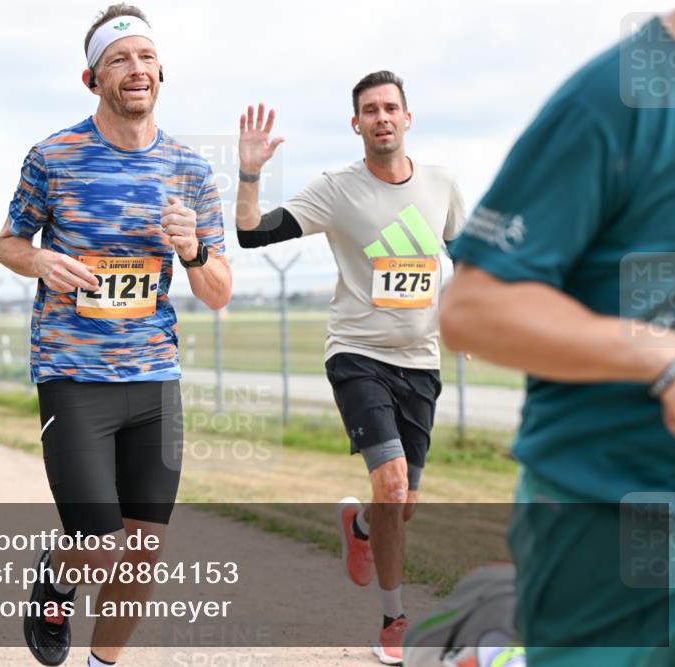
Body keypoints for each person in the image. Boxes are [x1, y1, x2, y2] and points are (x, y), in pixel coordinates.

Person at [440, 5, 675, 666]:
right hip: (612, 517)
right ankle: (490, 642)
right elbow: (474, 307)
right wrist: (665, 360)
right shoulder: (618, 96)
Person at [0, 4, 231, 665]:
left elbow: (219, 291)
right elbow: (8, 242)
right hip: (73, 376)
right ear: (91, 78)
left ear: (163, 73)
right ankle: (57, 574)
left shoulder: (190, 169)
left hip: (154, 376)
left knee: (143, 549)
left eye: (146, 58)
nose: (136, 70)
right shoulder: (54, 157)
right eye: (120, 60)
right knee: (98, 544)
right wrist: (40, 259)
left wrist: (192, 253)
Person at [234, 71, 465, 664]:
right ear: (355, 123)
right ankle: (395, 618)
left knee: (401, 505)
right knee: (390, 484)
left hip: (422, 362)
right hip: (359, 355)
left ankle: (360, 526)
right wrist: (251, 174)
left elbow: (467, 259)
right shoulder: (337, 188)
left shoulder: (441, 184)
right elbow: (252, 234)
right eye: (370, 109)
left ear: (407, 118)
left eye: (391, 107)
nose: (381, 117)